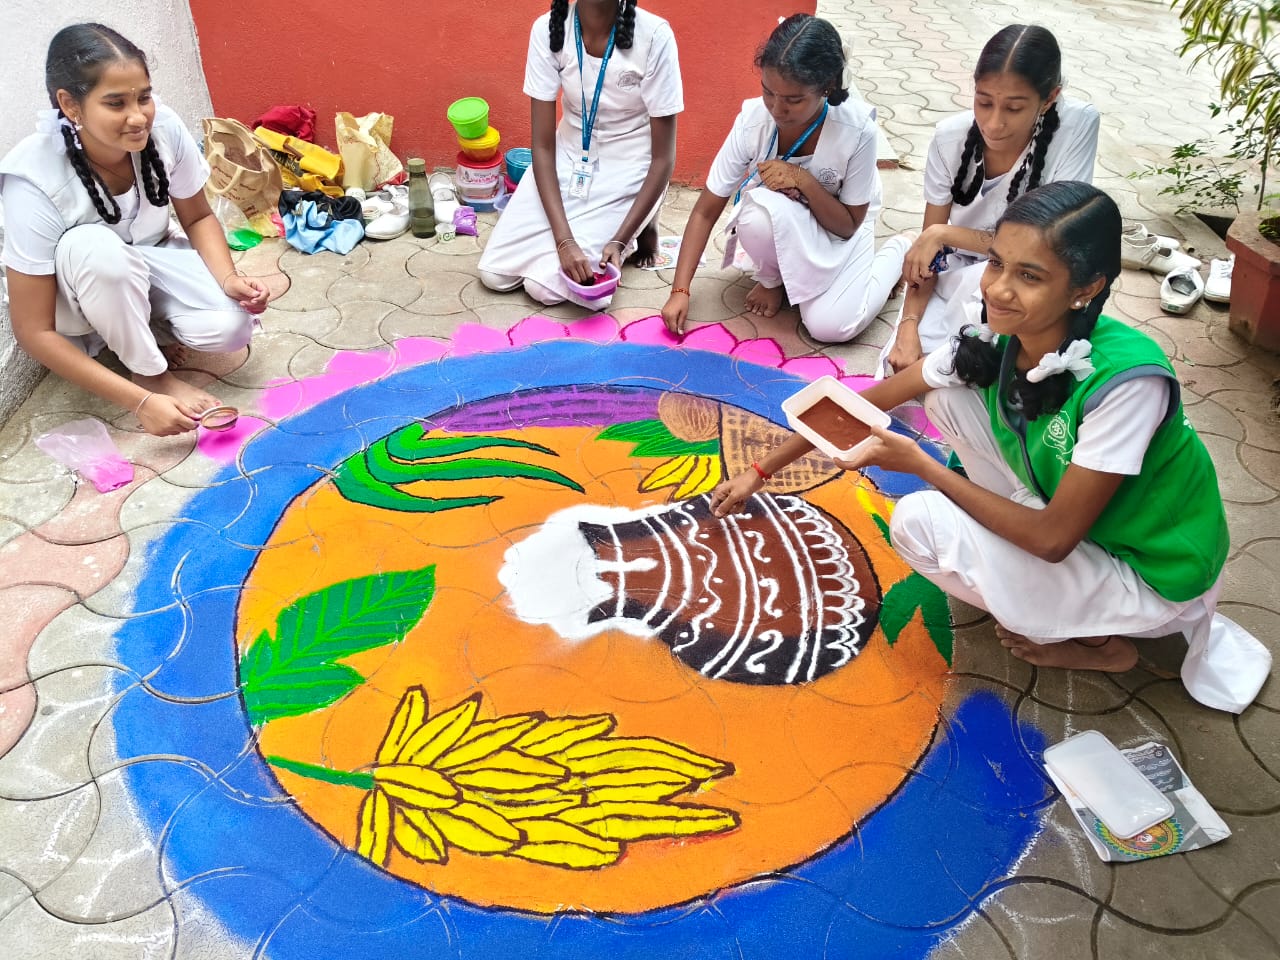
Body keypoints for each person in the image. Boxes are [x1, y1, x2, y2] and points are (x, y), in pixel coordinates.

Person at [711, 182, 1270, 714]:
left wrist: (923, 466)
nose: (998, 289)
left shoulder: (1129, 385)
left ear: (1086, 288)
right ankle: (1060, 591)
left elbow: (1052, 541)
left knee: (919, 523)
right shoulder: (1001, 337)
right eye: (997, 263)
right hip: (1079, 520)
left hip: (1150, 570)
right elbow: (865, 402)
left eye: (1029, 275)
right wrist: (759, 470)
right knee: (945, 398)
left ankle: (1104, 643)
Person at [0, 23, 267, 437]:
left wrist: (229, 279)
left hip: (143, 260)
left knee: (231, 326)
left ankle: (137, 334)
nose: (138, 117)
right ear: (70, 104)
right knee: (97, 251)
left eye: (144, 97)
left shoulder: (164, 129)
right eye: (115, 103)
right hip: (77, 296)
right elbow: (32, 330)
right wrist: (139, 401)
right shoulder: (31, 178)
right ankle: (150, 373)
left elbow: (197, 217)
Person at [661, 13, 902, 343]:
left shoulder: (857, 130)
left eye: (794, 100)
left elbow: (847, 226)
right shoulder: (753, 121)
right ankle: (773, 279)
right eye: (768, 92)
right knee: (756, 214)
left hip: (842, 226)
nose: (777, 108)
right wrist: (680, 290)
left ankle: (898, 253)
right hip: (787, 219)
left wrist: (803, 180)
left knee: (832, 327)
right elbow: (706, 210)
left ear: (827, 87)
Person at [880, 24, 1099, 375]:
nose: (994, 123)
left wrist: (944, 233)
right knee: (900, 364)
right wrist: (908, 325)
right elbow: (929, 257)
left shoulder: (1076, 127)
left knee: (961, 369)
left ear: (1049, 99)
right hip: (957, 274)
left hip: (1027, 283)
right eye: (984, 102)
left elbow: (1049, 245)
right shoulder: (950, 137)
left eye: (1014, 108)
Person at [477, 0, 682, 307]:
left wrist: (619, 240)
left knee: (546, 289)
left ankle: (642, 222)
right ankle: (579, 235)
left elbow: (663, 158)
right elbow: (543, 146)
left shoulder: (655, 36)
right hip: (566, 156)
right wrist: (564, 241)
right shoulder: (547, 29)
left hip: (629, 167)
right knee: (495, 275)